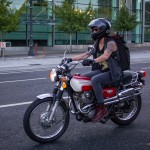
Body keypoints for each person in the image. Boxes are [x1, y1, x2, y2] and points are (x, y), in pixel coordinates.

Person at [64, 18, 122, 122]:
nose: (93, 32)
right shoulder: (96, 43)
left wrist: (92, 61)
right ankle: (88, 100)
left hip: (112, 72)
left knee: (95, 80)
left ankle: (101, 107)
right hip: (102, 70)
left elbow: (105, 56)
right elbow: (85, 55)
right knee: (83, 77)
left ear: (102, 30)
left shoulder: (111, 43)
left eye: (95, 30)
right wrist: (70, 59)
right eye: (93, 30)